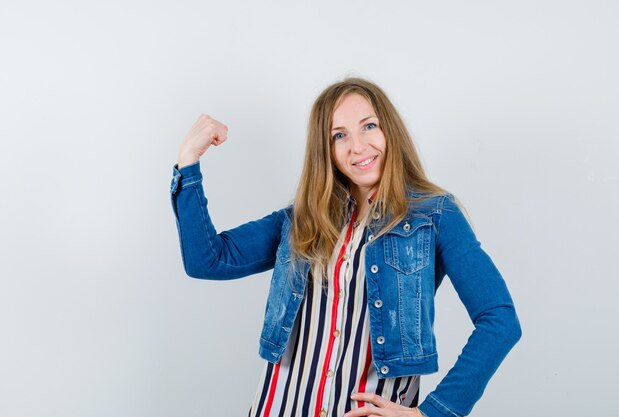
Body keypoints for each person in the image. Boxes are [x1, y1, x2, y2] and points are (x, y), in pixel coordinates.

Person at [169, 77, 522, 417]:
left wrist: (435, 412)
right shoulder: (301, 220)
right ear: (327, 151)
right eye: (339, 135)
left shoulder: (435, 216)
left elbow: (500, 320)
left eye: (369, 126)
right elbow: (207, 260)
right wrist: (188, 162)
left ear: (390, 131)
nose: (357, 146)